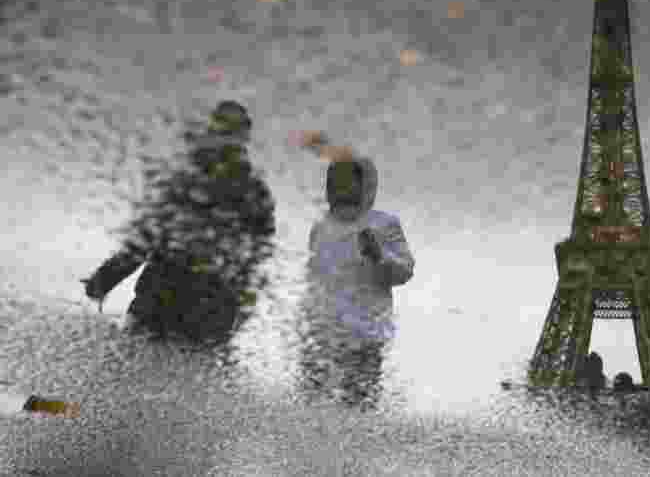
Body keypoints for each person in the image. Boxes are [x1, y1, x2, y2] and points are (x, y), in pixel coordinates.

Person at [81, 101, 276, 342]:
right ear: (245, 137)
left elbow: (144, 239)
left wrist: (102, 282)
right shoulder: (255, 194)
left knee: (134, 374)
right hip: (210, 322)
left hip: (157, 311)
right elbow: (255, 260)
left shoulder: (184, 180)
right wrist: (240, 316)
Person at [296, 132, 414, 408]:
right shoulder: (321, 227)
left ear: (367, 189)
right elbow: (315, 277)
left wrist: (379, 257)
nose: (341, 194)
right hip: (323, 331)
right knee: (311, 400)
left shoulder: (384, 225)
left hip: (364, 335)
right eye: (335, 186)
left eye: (349, 188)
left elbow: (405, 271)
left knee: (358, 404)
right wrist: (306, 325)